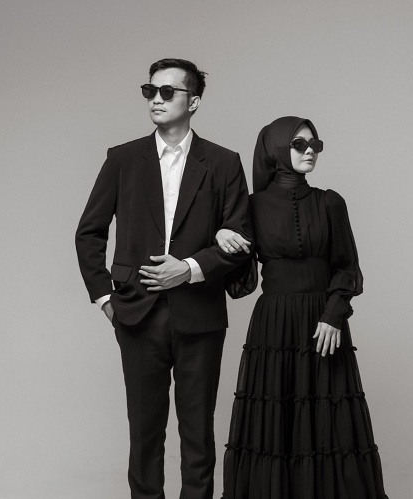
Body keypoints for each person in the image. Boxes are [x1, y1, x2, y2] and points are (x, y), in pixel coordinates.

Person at [75, 58, 253, 499]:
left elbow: (241, 238)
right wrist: (106, 301)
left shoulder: (224, 162)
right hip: (136, 314)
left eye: (167, 91)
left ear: (194, 101)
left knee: (198, 435)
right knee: (145, 434)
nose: (156, 99)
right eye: (150, 90)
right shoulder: (122, 159)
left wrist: (188, 269)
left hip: (200, 315)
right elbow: (89, 232)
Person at [219, 117, 388, 498]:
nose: (310, 150)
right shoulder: (251, 206)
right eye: (299, 144)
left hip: (323, 322)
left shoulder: (330, 202)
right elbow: (239, 280)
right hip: (274, 324)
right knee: (276, 417)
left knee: (328, 419)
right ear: (277, 150)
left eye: (315, 144)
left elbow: (347, 267)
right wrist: (223, 232)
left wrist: (333, 315)